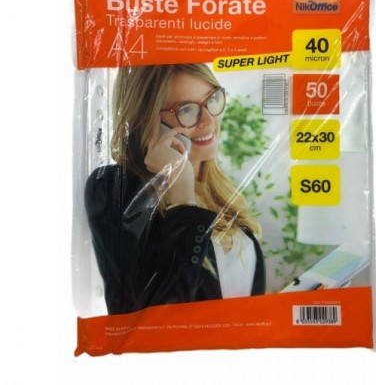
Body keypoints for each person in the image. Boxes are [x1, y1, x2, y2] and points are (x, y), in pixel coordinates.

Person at [84, 64, 266, 315]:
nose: (208, 120)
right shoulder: (115, 188)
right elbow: (151, 316)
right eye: (186, 109)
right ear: (147, 120)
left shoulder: (223, 195)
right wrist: (182, 200)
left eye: (211, 99)